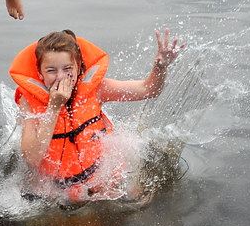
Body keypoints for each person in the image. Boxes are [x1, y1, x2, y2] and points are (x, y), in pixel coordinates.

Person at [9, 29, 184, 201]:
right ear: (40, 73)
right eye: (51, 70)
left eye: (67, 68)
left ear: (78, 67)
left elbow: (149, 90)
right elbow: (32, 159)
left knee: (137, 204)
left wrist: (160, 67)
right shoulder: (28, 102)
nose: (60, 77)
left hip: (98, 177)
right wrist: (54, 107)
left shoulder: (97, 90)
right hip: (54, 188)